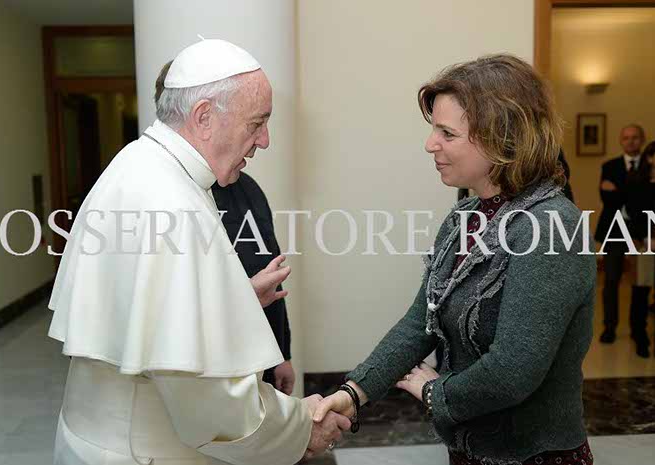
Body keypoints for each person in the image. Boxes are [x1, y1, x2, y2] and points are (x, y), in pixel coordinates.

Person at [48, 39, 349, 465]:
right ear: (204, 116)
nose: (264, 140)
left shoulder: (138, 163)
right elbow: (213, 406)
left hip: (97, 437)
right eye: (257, 123)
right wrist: (302, 425)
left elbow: (153, 313)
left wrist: (237, 300)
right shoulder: (173, 202)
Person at [314, 55, 596, 464]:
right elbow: (419, 323)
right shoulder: (465, 216)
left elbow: (513, 371)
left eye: (447, 133)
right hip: (468, 450)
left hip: (537, 455)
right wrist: (353, 393)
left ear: (501, 138)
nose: (430, 144)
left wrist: (435, 392)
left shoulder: (552, 226)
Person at [155, 61, 295, 393]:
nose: (264, 140)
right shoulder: (165, 194)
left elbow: (270, 274)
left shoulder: (247, 188)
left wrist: (281, 354)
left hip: (255, 360)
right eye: (256, 123)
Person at [594, 124, 647, 344]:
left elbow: (646, 200)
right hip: (614, 229)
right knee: (611, 280)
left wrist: (620, 191)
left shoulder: (650, 166)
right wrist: (634, 194)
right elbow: (607, 199)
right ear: (620, 140)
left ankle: (638, 330)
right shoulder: (609, 166)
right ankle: (609, 327)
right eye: (626, 137)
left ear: (642, 139)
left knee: (640, 282)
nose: (630, 141)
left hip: (641, 231)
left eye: (635, 137)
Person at [630, 140, 655, 357]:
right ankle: (640, 337)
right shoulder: (639, 184)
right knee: (641, 292)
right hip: (644, 244)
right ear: (649, 158)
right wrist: (646, 238)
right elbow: (634, 216)